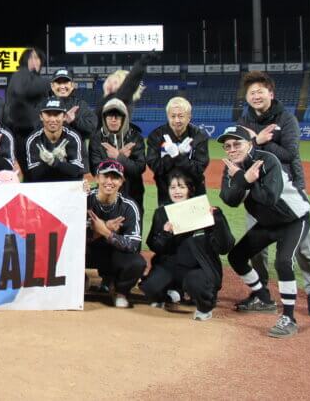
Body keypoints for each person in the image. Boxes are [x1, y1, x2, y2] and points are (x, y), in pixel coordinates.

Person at [238, 71, 310, 318]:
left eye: (260, 91)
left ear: (271, 93)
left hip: (290, 190)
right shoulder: (244, 121)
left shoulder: (287, 119)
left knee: (304, 247)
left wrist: (260, 142)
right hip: (258, 191)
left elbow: (290, 154)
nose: (256, 96)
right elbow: (241, 154)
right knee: (256, 248)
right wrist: (256, 141)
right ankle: (261, 291)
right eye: (251, 92)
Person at [218, 125, 310, 338]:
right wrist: (244, 179)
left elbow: (269, 198)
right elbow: (229, 199)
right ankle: (262, 297)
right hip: (268, 223)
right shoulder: (231, 168)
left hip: (294, 219)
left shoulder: (268, 160)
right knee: (236, 256)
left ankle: (289, 318)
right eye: (227, 146)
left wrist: (242, 180)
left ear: (249, 144)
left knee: (283, 262)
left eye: (237, 144)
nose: (232, 149)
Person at [141, 172, 235, 321]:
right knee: (150, 287)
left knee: (194, 282)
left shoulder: (206, 212)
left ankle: (205, 306)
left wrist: (218, 220)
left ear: (190, 190)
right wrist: (165, 234)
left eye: (181, 187)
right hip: (173, 266)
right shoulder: (162, 213)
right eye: (172, 187)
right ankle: (175, 292)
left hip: (200, 269)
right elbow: (154, 246)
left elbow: (225, 247)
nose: (176, 191)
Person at [86, 159, 146, 308]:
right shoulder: (84, 199)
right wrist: (100, 230)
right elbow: (70, 239)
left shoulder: (129, 206)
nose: (109, 181)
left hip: (113, 255)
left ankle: (120, 291)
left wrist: (106, 232)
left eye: (115, 177)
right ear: (97, 178)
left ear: (121, 182)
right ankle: (78, 280)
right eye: (105, 176)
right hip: (87, 252)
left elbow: (133, 245)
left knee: (137, 263)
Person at [88, 98, 146, 221]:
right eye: (109, 116)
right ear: (104, 118)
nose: (113, 120)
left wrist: (118, 157)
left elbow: (139, 168)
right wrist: (119, 157)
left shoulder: (135, 137)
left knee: (132, 230)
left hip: (133, 193)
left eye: (117, 116)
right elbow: (95, 170)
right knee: (103, 230)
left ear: (124, 118)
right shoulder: (96, 138)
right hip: (105, 196)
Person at [145, 97, 209, 206]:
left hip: (195, 194)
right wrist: (173, 156)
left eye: (181, 116)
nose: (177, 120)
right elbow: (156, 167)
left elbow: (198, 169)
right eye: (173, 116)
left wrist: (177, 156)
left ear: (189, 117)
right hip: (166, 194)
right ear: (168, 116)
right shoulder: (156, 136)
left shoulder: (199, 136)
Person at [2, 48, 50, 174]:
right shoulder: (19, 75)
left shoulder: (35, 79)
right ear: (24, 61)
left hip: (38, 134)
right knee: (33, 174)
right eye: (30, 58)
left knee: (40, 174)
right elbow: (23, 90)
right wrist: (51, 82)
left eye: (37, 58)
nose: (34, 61)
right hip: (24, 135)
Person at [24, 99, 86, 182]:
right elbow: (34, 175)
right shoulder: (33, 139)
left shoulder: (73, 137)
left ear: (64, 117)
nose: (53, 119)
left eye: (57, 114)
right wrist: (49, 162)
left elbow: (76, 171)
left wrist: (54, 162)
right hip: (43, 185)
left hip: (67, 184)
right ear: (41, 117)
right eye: (48, 114)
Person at [95, 51, 157, 122]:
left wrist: (142, 62)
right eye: (109, 80)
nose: (110, 84)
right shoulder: (105, 100)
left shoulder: (120, 99)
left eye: (115, 83)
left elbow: (131, 81)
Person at [40, 69, 97, 143]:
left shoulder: (80, 105)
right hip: (49, 149)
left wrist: (74, 121)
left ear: (72, 85)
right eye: (58, 83)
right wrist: (62, 122)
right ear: (52, 86)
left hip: (75, 150)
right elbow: (35, 128)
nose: (62, 86)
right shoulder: (43, 105)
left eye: (65, 82)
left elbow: (91, 129)